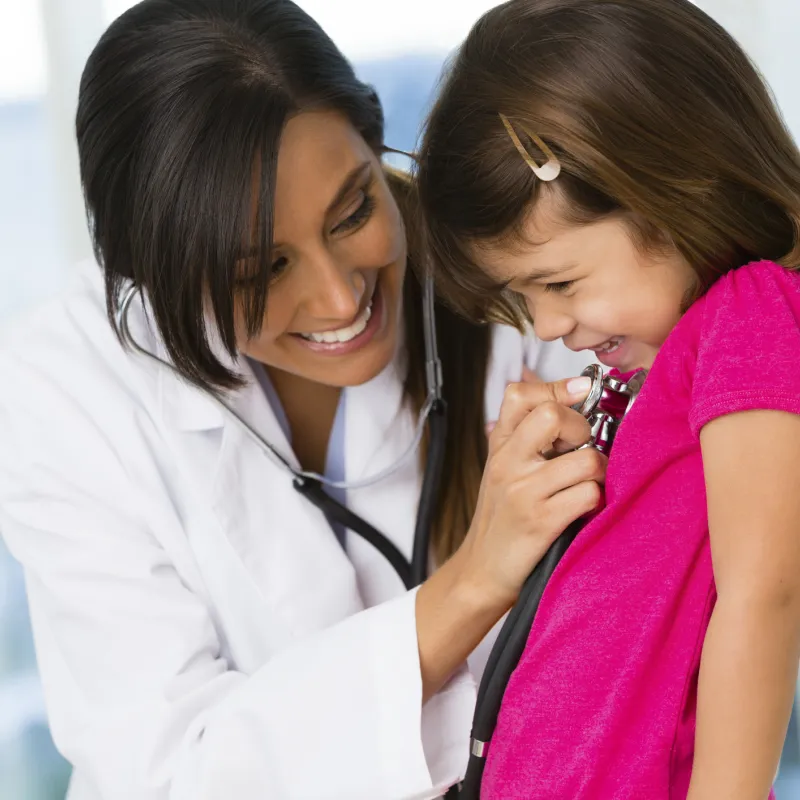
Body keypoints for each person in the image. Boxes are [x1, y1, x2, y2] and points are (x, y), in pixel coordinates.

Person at [0, 1, 601, 798]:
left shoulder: (511, 279)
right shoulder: (67, 393)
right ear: (152, 279)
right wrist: (473, 585)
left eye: (354, 208)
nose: (339, 296)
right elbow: (170, 776)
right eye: (262, 272)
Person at [416, 1, 800, 798]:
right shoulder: (654, 372)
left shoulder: (750, 314)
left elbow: (766, 591)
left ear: (671, 188)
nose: (550, 326)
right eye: (524, 300)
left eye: (559, 283)